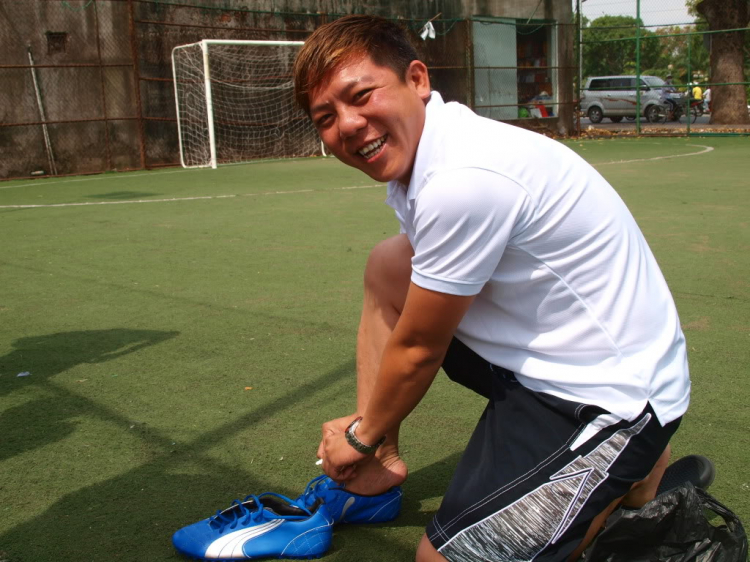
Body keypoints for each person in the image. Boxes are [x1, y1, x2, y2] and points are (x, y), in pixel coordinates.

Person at [293, 15, 690, 562]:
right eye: (326, 117)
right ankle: (382, 464)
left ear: (416, 79)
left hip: (607, 393)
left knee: (440, 559)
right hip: (558, 351)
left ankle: (628, 470)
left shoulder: (464, 178)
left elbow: (418, 349)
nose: (349, 124)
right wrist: (374, 436)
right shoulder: (438, 144)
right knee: (392, 265)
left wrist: (359, 435)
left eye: (361, 95)